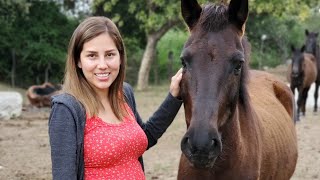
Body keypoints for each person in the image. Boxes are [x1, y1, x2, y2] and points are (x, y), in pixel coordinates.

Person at [48, 16, 183, 180]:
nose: (103, 64)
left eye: (110, 54)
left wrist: (174, 96)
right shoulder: (67, 108)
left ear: (120, 57)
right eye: (92, 56)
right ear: (78, 60)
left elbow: (145, 138)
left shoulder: (124, 93)